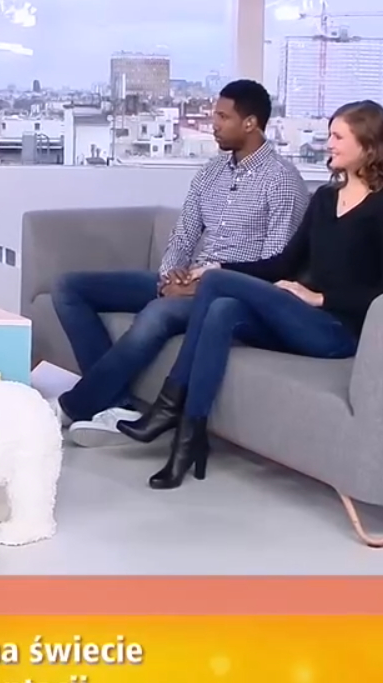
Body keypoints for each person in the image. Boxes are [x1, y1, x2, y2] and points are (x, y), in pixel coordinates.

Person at [117, 100, 383, 490]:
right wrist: (218, 266)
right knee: (222, 309)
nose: (329, 144)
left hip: (338, 332)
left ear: (367, 143)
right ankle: (189, 437)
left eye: (338, 137)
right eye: (330, 135)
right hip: (300, 319)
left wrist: (321, 299)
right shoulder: (325, 199)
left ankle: (168, 407)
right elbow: (282, 264)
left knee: (218, 287)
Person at [51, 79, 310, 447]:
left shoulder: (282, 182)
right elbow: (184, 234)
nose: (214, 124)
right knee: (69, 288)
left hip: (231, 297)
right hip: (186, 281)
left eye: (223, 117)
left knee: (157, 313)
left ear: (251, 123)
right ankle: (117, 406)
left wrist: (200, 287)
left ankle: (73, 407)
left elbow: (275, 266)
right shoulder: (211, 172)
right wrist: (168, 277)